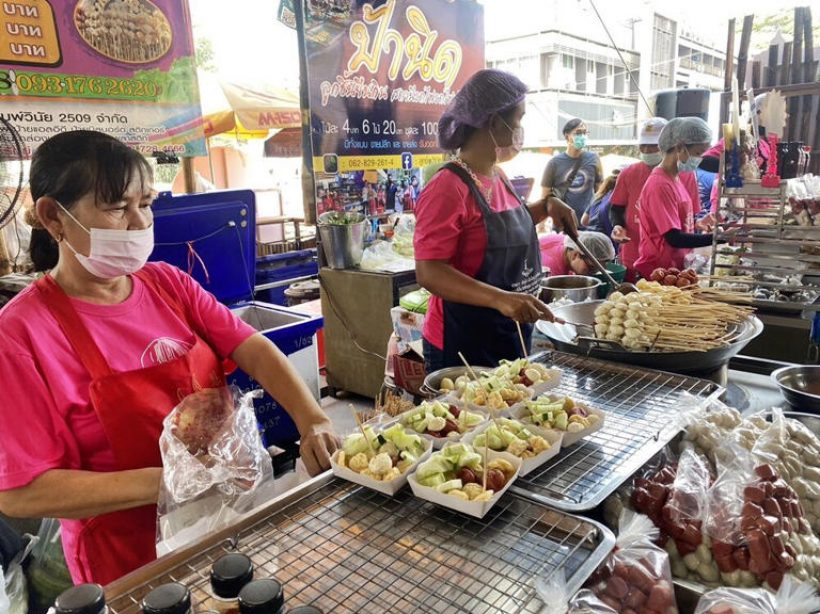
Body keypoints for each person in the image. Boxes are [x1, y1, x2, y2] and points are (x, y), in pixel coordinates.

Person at [0, 131, 340, 585]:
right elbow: (22, 492)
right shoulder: (21, 334)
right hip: (127, 558)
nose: (140, 223)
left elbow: (251, 346)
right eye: (119, 208)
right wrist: (175, 482)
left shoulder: (167, 284)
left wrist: (311, 417)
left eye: (147, 203)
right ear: (53, 217)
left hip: (222, 519)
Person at [414, 69, 577, 372]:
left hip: (507, 332)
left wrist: (546, 205)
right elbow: (429, 271)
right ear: (493, 122)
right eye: (519, 119)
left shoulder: (496, 175)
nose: (520, 130)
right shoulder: (447, 187)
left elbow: (503, 229)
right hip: (462, 341)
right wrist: (500, 299)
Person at [633, 117, 715, 278]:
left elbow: (677, 221)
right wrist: (717, 239)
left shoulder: (676, 179)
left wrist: (697, 224)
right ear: (679, 148)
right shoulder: (660, 185)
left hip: (675, 268)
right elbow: (674, 238)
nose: (699, 159)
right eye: (698, 153)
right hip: (658, 272)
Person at [609, 117, 671, 280]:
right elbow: (616, 208)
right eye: (643, 145)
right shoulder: (628, 173)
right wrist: (618, 226)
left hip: (668, 259)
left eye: (652, 146)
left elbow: (689, 215)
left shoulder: (684, 175)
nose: (647, 150)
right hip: (633, 254)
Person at [541, 118, 603, 222]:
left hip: (589, 222)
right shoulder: (554, 163)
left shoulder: (593, 159)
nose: (582, 137)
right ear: (567, 136)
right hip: (564, 223)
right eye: (578, 133)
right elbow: (545, 196)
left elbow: (600, 191)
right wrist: (542, 223)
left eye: (584, 133)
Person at [699, 92, 771, 174]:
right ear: (758, 113)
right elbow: (704, 160)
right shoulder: (738, 137)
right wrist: (732, 164)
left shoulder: (765, 145)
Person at [539, 231, 615, 277]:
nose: (593, 273)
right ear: (575, 255)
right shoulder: (550, 270)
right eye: (591, 268)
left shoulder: (573, 244)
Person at [582, 169, 620, 239]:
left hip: (589, 235)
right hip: (605, 238)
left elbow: (584, 221)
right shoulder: (616, 201)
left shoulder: (595, 199)